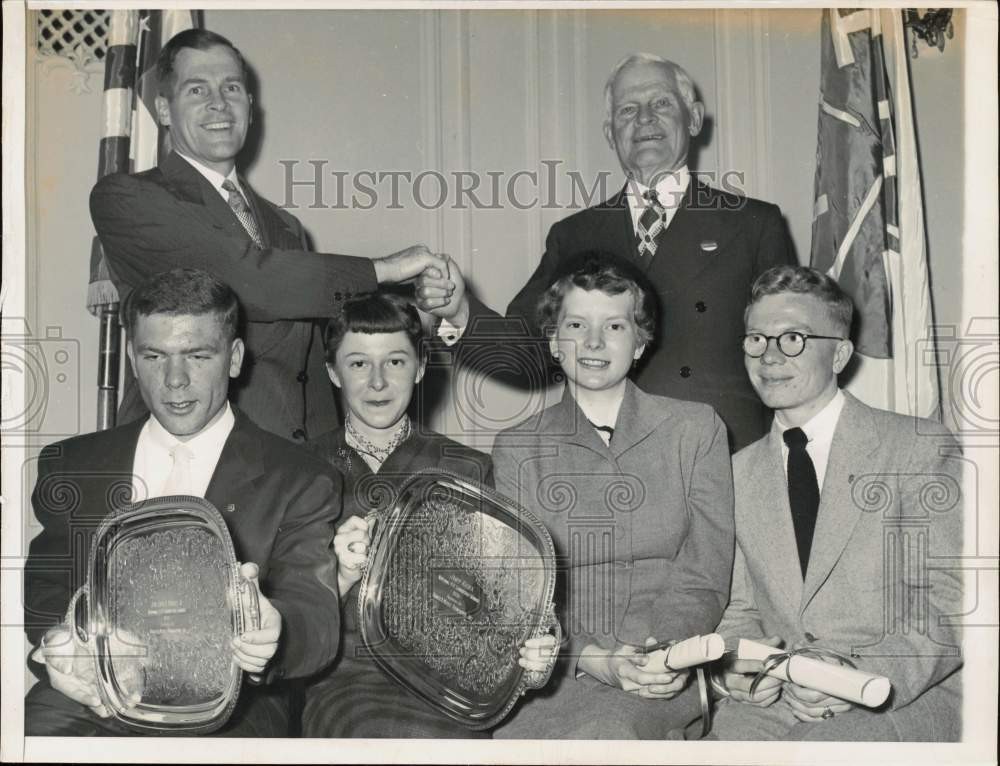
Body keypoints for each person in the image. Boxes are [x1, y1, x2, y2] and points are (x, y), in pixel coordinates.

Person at [416, 52, 794, 452]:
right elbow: (525, 353)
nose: (645, 118)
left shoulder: (752, 225)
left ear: (695, 118)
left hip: (723, 460)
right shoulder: (574, 235)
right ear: (610, 133)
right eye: (628, 109)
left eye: (662, 103)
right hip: (604, 465)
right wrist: (459, 311)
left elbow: (790, 353)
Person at [90, 28, 452, 444]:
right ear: (164, 110)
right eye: (196, 90)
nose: (218, 103)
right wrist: (385, 269)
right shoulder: (127, 197)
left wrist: (422, 311)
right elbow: (248, 278)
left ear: (249, 104)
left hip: (293, 471)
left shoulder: (285, 226)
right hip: (188, 462)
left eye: (231, 87)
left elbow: (313, 361)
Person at [23, 268, 343, 736]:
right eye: (155, 355)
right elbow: (46, 583)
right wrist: (62, 643)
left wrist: (273, 633)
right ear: (132, 358)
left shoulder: (300, 477)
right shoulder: (71, 464)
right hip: (91, 697)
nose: (174, 380)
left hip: (234, 706)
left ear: (234, 359)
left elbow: (313, 616)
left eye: (197, 355)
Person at [709, 265, 963, 741]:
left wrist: (851, 673)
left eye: (793, 339)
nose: (769, 356)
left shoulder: (918, 447)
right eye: (756, 339)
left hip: (897, 693)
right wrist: (734, 668)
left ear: (841, 353)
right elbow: (739, 611)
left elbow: (949, 602)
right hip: (777, 702)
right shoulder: (735, 473)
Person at [489, 252, 734, 739]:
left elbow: (705, 571)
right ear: (553, 341)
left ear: (640, 342)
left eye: (616, 327)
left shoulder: (695, 429)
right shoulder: (518, 447)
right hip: (559, 668)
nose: (594, 342)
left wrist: (661, 653)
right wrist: (588, 657)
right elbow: (517, 591)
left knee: (609, 736)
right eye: (576, 324)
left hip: (664, 668)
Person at [301, 293, 556, 738]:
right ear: (332, 372)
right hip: (344, 684)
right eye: (359, 364)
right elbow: (287, 622)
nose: (378, 382)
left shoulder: (466, 469)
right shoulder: (300, 469)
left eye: (395, 362)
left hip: (448, 685)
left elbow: (502, 609)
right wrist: (339, 578)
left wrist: (534, 658)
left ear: (420, 367)